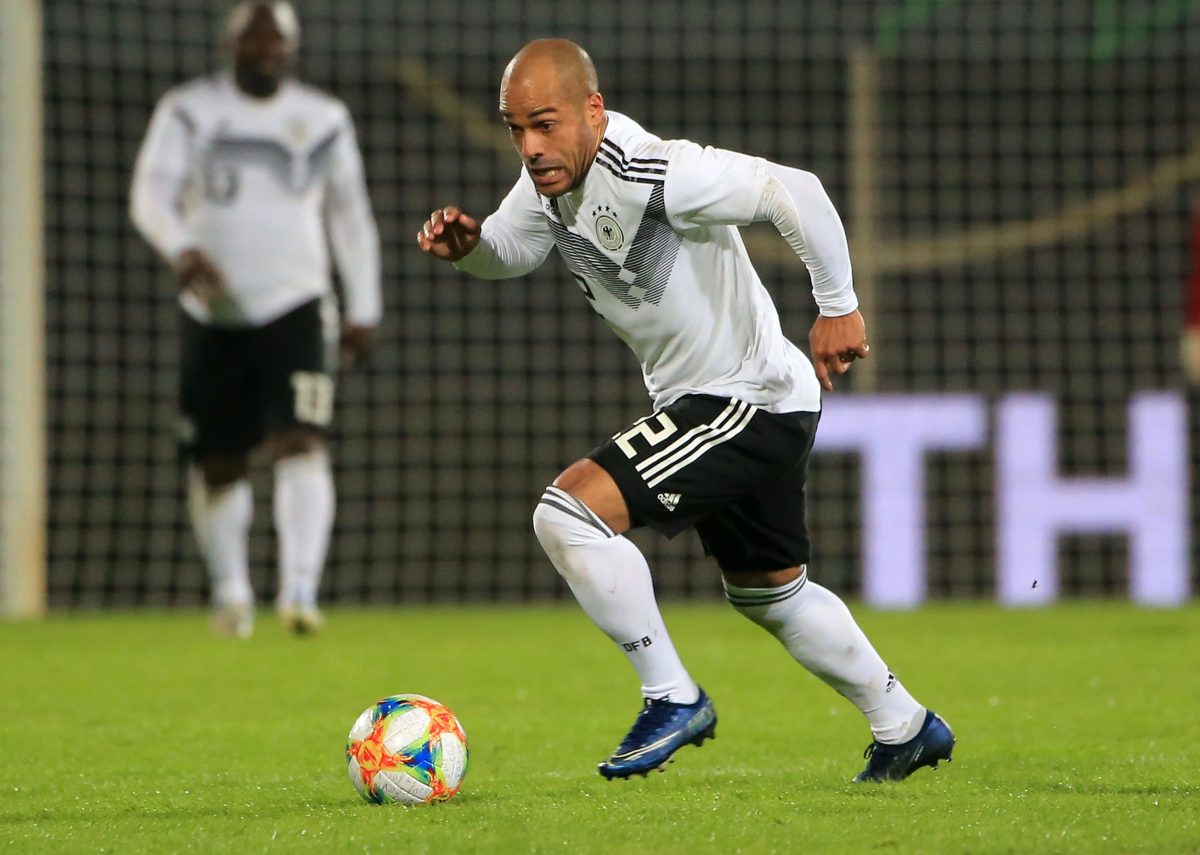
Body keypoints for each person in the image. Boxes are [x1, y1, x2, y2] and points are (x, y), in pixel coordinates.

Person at [416, 38, 954, 782]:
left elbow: (794, 189)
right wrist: (470, 246)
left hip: (744, 398)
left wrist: (840, 307)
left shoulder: (652, 171)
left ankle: (672, 695)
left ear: (593, 111)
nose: (530, 146)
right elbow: (514, 246)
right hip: (748, 399)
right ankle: (906, 725)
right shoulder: (547, 181)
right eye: (515, 128)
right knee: (773, 595)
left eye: (544, 124)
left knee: (566, 512)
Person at [130, 1, 381, 638]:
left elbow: (350, 215)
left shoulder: (322, 118)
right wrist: (180, 248)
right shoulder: (188, 110)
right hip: (211, 312)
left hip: (297, 304)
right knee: (218, 461)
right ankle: (232, 594)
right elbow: (150, 193)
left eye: (276, 41)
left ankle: (299, 591)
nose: (265, 50)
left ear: (292, 49)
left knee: (302, 439)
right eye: (253, 39)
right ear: (230, 43)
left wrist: (363, 305)